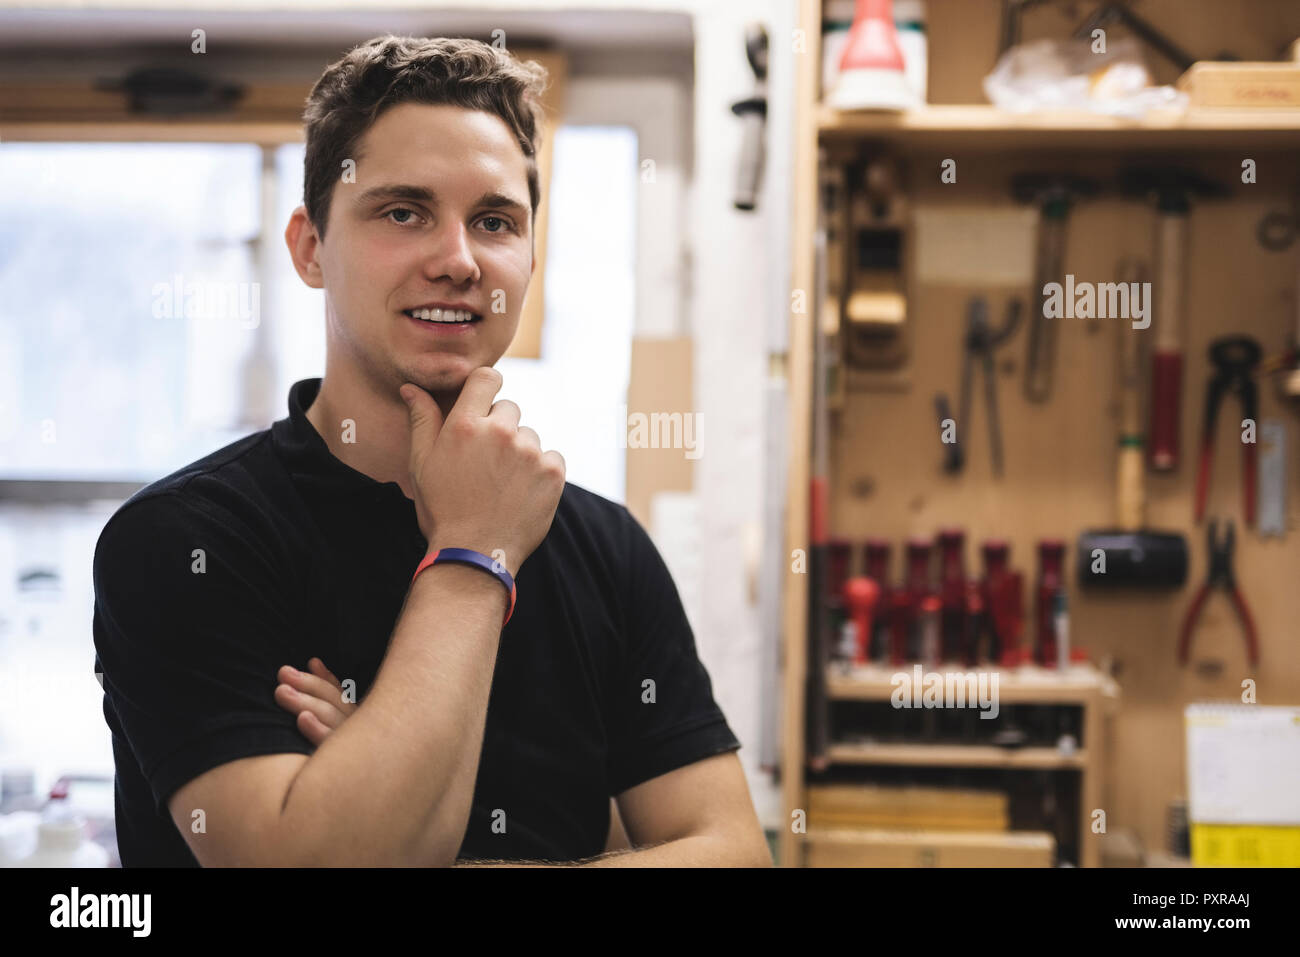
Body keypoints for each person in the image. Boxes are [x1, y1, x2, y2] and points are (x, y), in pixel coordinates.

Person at [92, 34, 770, 868]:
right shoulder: (186, 541)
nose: (457, 260)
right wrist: (474, 551)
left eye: (494, 221)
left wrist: (385, 806)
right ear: (310, 247)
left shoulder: (606, 547)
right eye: (403, 211)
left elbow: (732, 849)